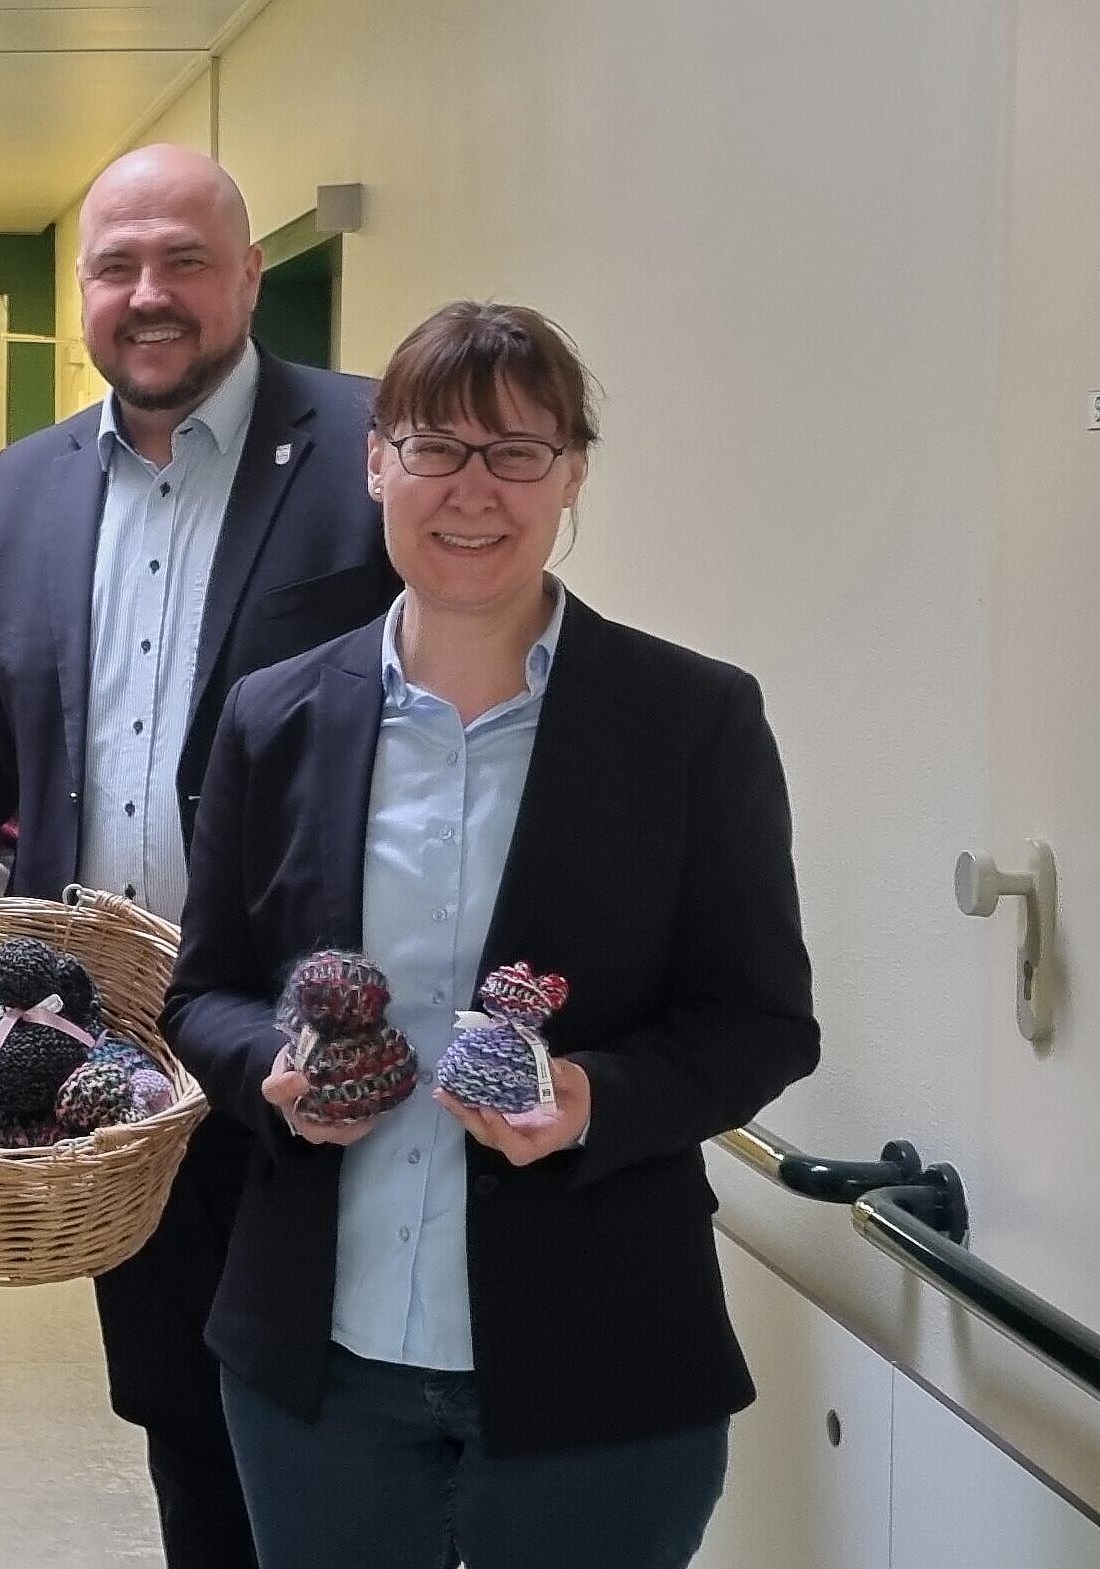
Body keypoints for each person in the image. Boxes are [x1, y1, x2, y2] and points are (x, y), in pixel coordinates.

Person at [0, 142, 399, 1568]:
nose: (149, 293)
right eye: (116, 264)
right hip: (118, 1049)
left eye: (184, 258)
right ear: (79, 290)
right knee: (183, 1416)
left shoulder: (369, 449)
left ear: (250, 273)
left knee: (348, 1427)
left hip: (322, 1030)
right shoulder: (27, 485)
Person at [164, 301, 819, 1569]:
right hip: (319, 1369)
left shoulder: (689, 721)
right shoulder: (273, 715)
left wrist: (588, 1096)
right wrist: (278, 1081)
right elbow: (204, 995)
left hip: (598, 1361)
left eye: (517, 452)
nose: (473, 491)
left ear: (570, 474)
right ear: (375, 464)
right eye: (433, 448)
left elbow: (760, 1023)